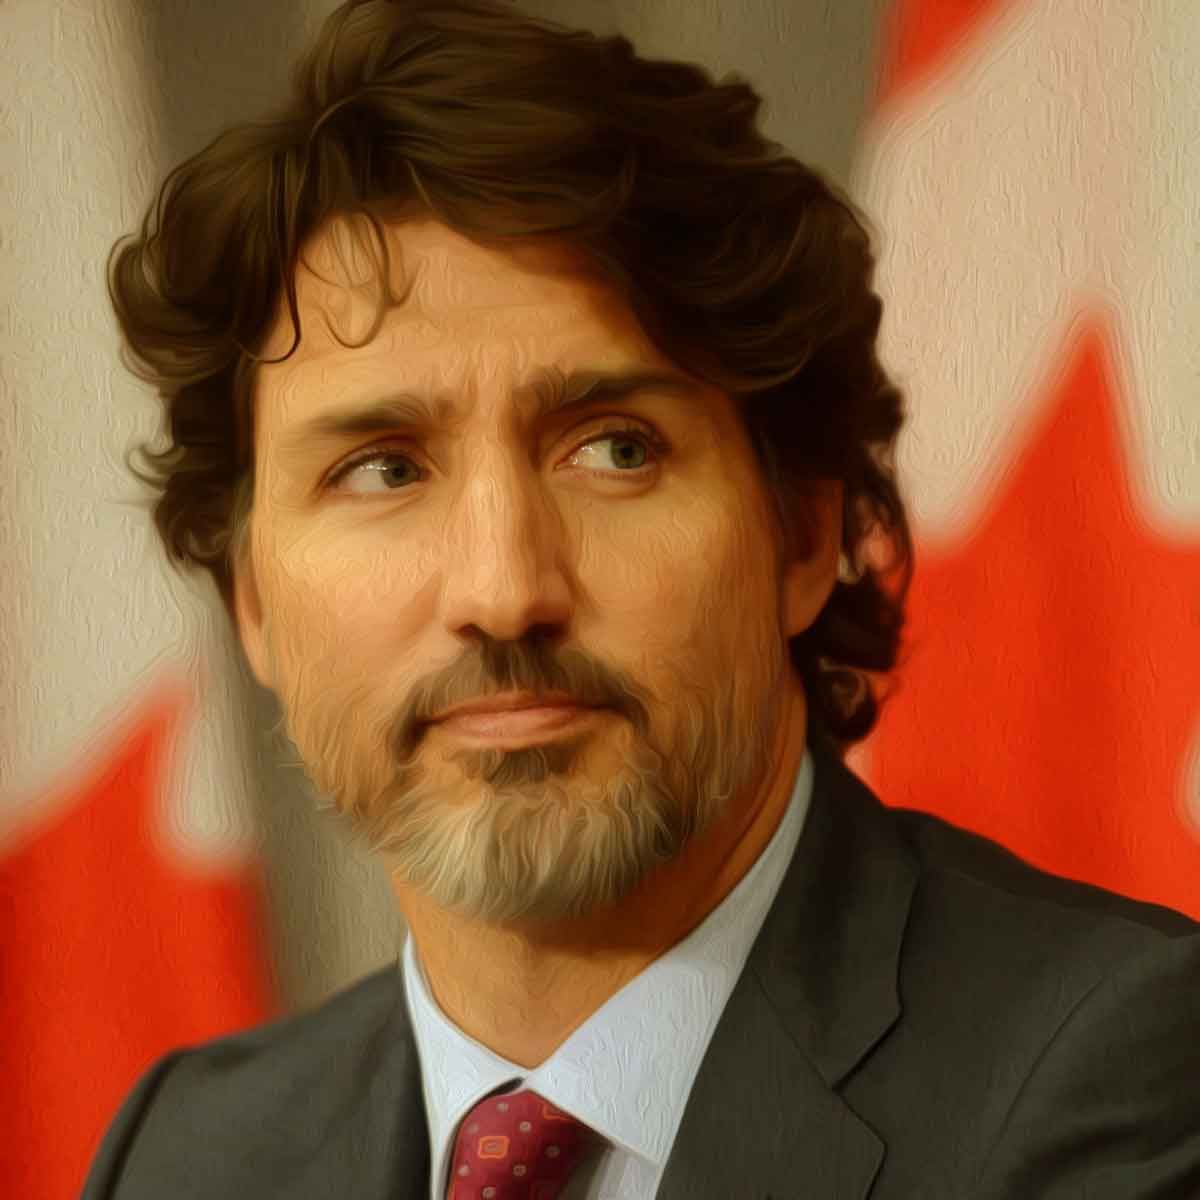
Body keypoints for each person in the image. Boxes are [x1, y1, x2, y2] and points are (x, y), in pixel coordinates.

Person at [83, 1, 1200, 1197]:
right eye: (382, 470)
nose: (504, 591)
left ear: (802, 534)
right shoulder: (186, 1153)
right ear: (251, 597)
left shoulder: (1123, 1075)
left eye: (615, 449)